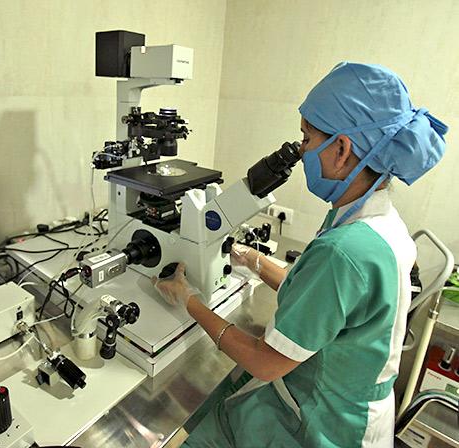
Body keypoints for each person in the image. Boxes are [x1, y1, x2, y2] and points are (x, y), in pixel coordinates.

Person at [152, 62, 448, 447]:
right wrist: (254, 261)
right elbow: (323, 296)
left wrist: (189, 300)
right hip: (350, 409)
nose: (301, 150)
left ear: (341, 149)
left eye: (307, 139)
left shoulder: (344, 252)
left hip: (325, 426)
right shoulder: (379, 224)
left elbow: (264, 361)